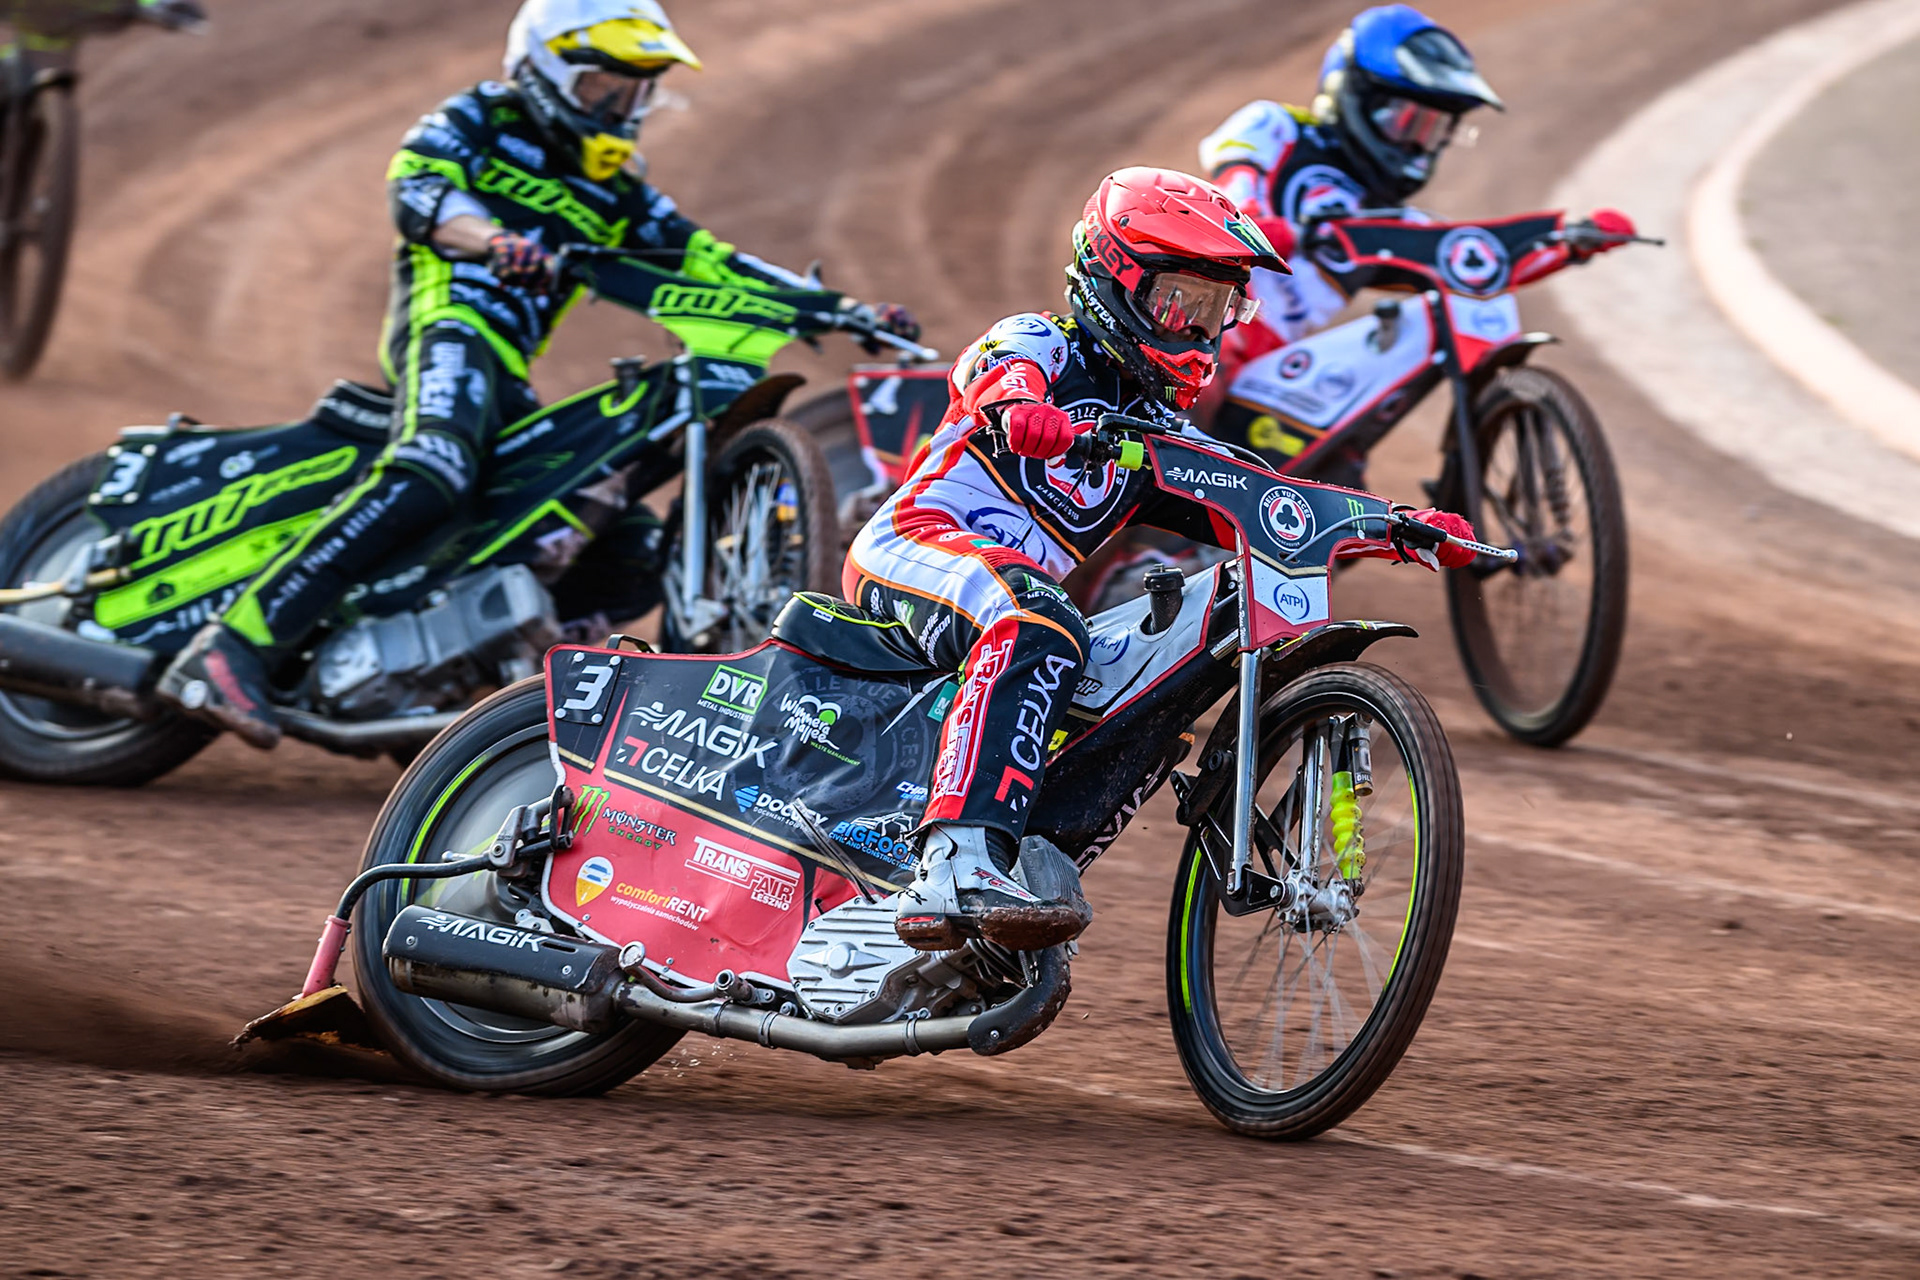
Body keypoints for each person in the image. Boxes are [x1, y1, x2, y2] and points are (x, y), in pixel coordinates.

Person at [155, 0, 916, 748]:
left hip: (509, 371)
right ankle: (234, 646)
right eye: (605, 85)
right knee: (434, 464)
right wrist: (490, 240)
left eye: (638, 88)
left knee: (627, 554)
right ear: (546, 70)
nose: (622, 105)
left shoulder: (617, 190)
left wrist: (844, 309)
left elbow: (709, 260)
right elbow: (417, 193)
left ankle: (451, 673)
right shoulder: (480, 121)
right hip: (449, 323)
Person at [845, 166, 1476, 953]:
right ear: (1113, 278)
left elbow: (1269, 494)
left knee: (1135, 659)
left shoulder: (1158, 433)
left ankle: (1034, 858)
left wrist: (1398, 524)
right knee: (1038, 622)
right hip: (915, 545)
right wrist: (1022, 411)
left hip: (1011, 590)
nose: (1196, 331)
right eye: (1179, 302)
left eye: (1216, 310)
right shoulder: (1045, 341)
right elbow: (994, 371)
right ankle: (955, 864)